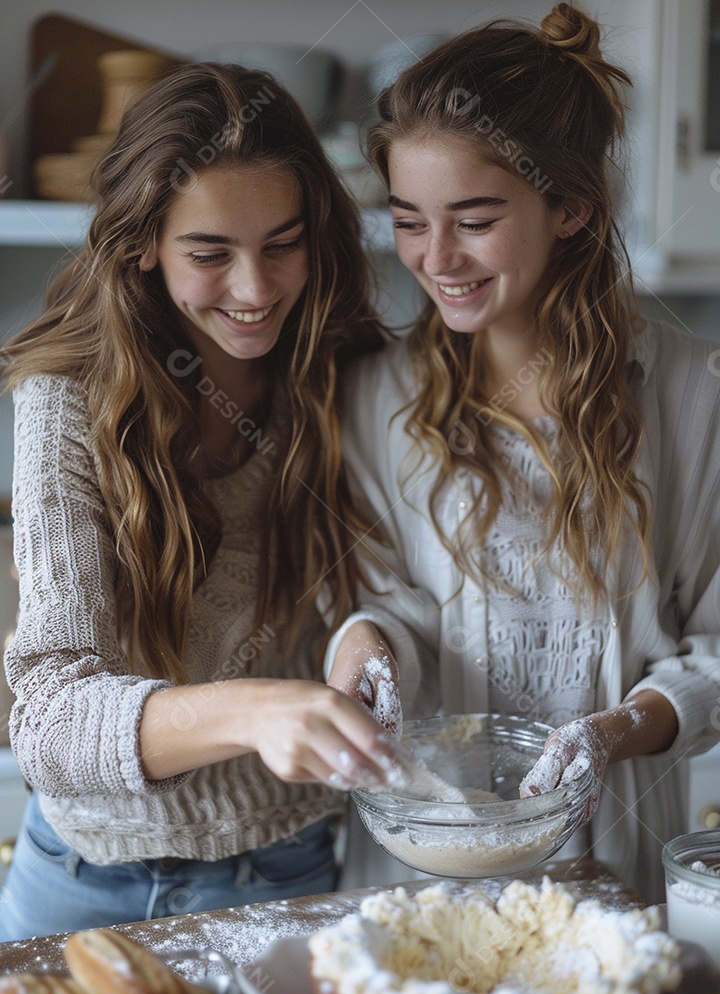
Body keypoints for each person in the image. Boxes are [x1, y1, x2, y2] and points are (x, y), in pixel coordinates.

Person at [0, 62, 408, 940]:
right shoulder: (66, 403)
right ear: (143, 242)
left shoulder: (342, 372)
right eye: (211, 253)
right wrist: (259, 709)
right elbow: (48, 720)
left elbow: (364, 585)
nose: (256, 289)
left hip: (287, 866)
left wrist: (359, 640)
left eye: (282, 243)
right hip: (78, 878)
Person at [326, 3, 720, 902]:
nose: (436, 258)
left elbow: (715, 645)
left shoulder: (696, 397)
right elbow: (379, 598)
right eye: (409, 220)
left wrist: (614, 731)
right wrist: (366, 652)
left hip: (607, 856)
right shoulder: (374, 396)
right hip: (415, 857)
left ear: (570, 205)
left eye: (473, 218)